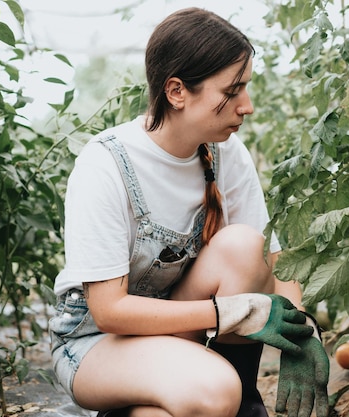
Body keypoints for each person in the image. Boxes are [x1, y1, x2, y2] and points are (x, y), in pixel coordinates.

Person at [48, 7, 330, 417]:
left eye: (246, 88)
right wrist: (230, 313)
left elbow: (272, 258)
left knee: (243, 246)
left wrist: (304, 332)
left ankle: (237, 403)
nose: (246, 105)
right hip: (94, 344)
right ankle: (217, 399)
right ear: (177, 91)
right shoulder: (106, 165)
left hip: (175, 329)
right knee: (212, 391)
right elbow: (109, 311)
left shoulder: (225, 152)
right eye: (232, 91)